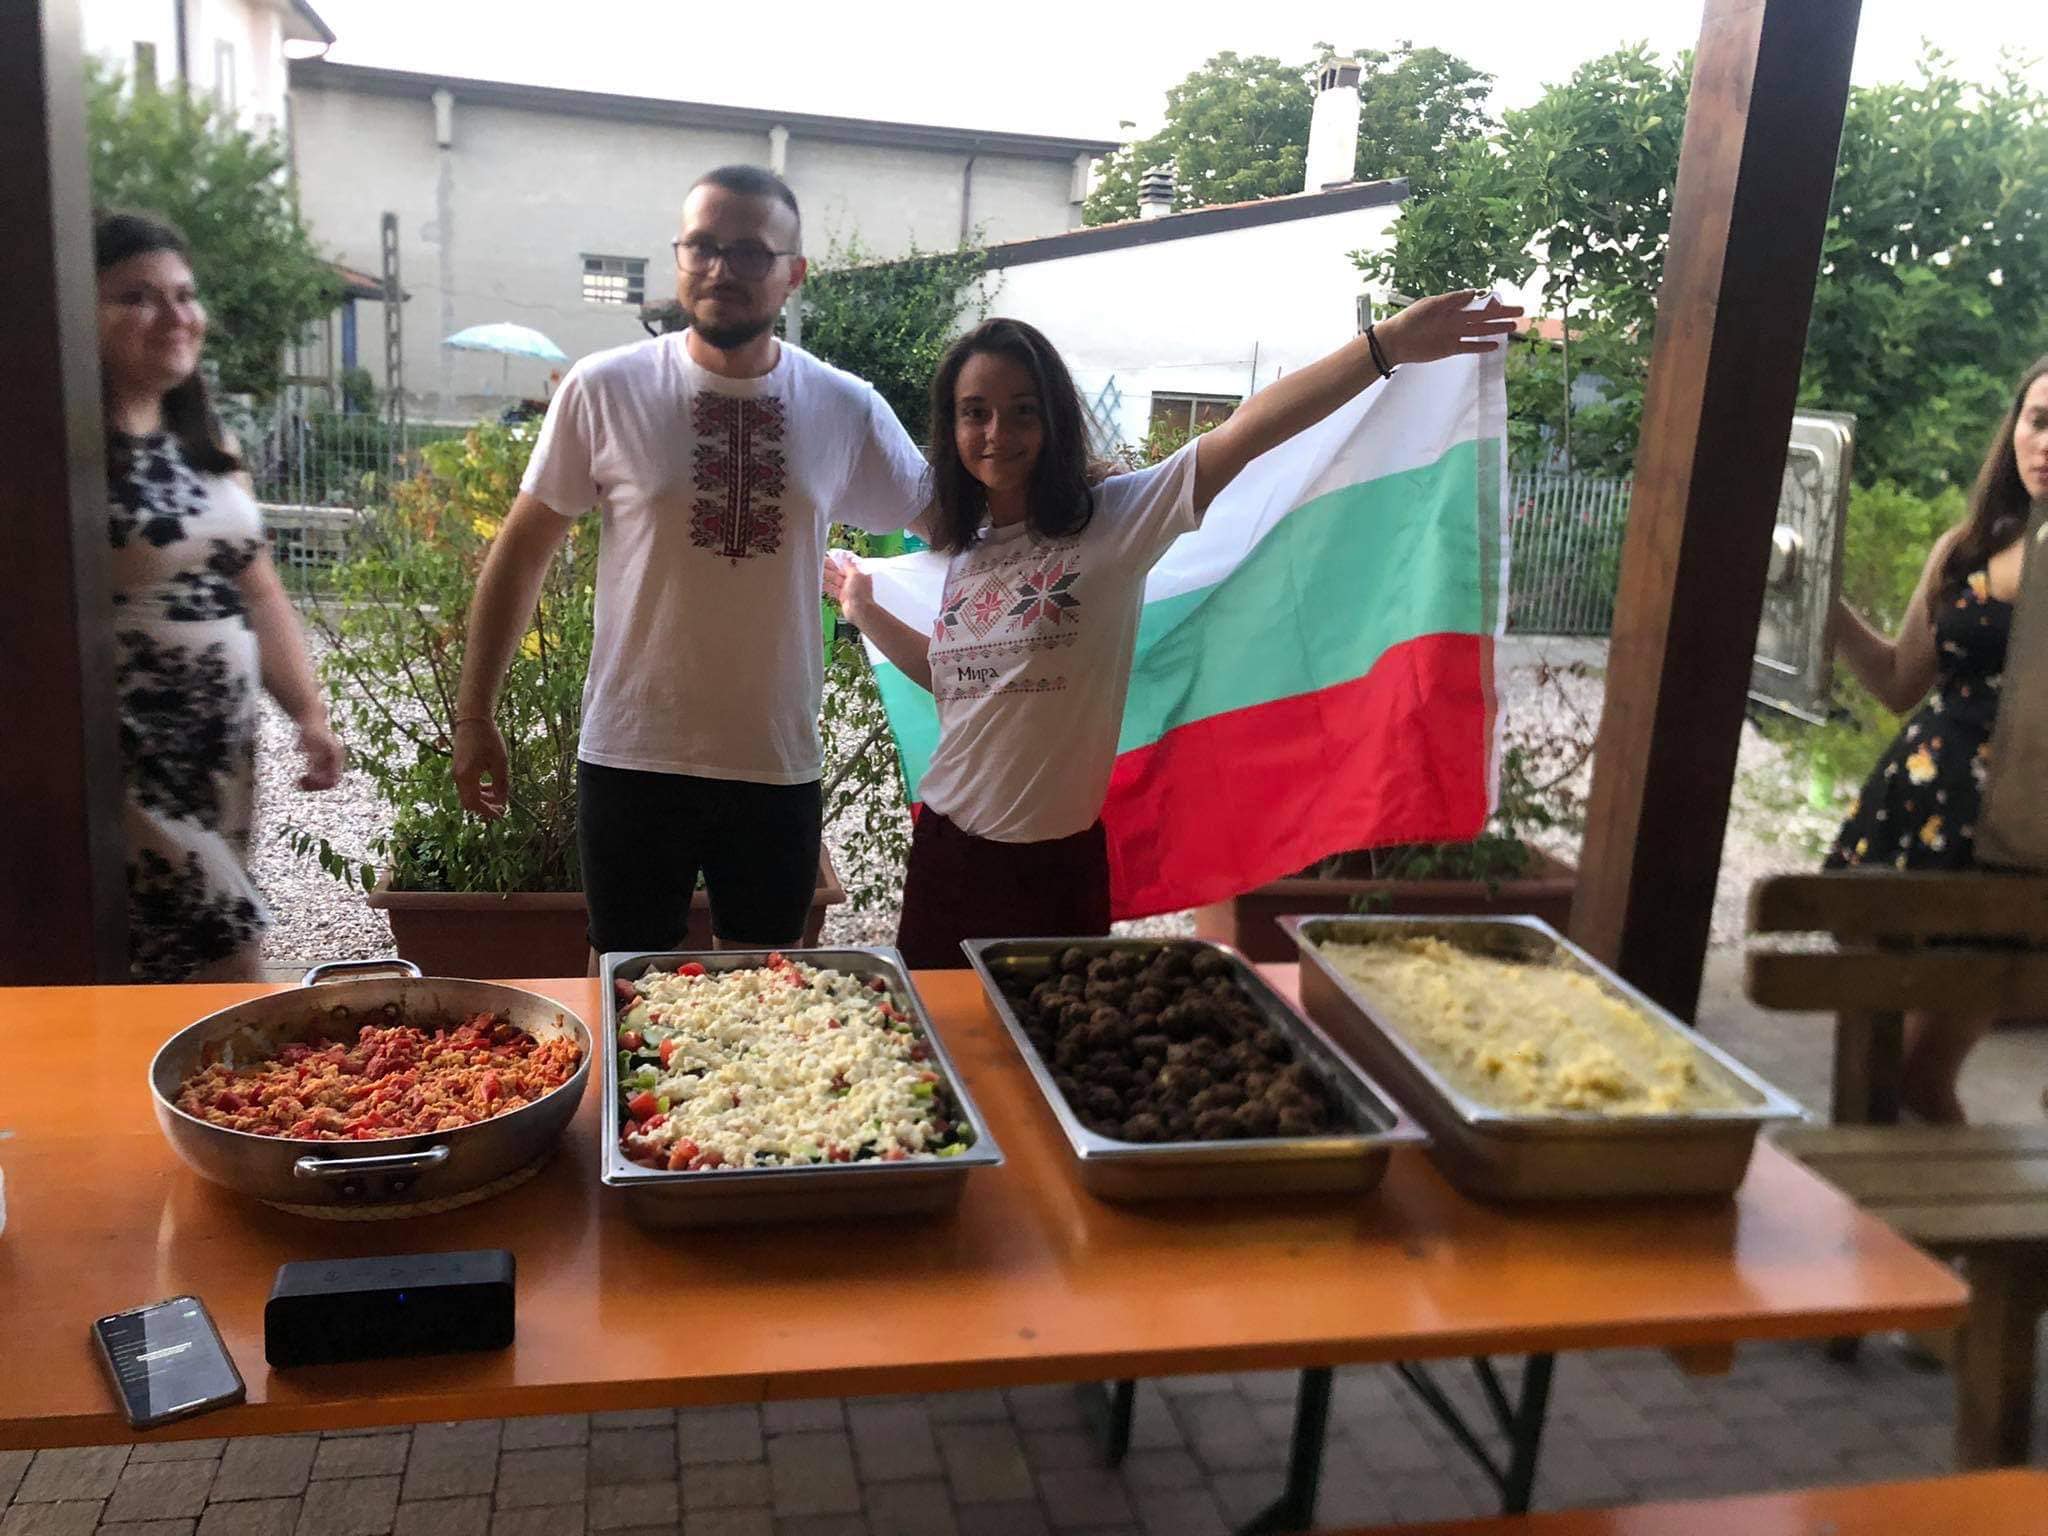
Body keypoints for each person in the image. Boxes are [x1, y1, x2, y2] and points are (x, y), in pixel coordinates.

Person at [825, 293, 1521, 969]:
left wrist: (1386, 346)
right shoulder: (965, 550)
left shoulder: (1117, 521)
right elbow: (955, 681)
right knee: (937, 1047)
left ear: (1055, 423)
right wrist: (864, 609)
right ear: (950, 429)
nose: (996, 435)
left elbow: (1244, 433)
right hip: (947, 852)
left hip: (1053, 868)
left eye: (1022, 412)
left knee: (1049, 1051)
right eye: (974, 413)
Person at [452, 166, 929, 961]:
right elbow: (521, 551)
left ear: (793, 273)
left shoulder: (845, 406)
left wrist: (1080, 503)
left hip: (774, 760)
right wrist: (475, 716)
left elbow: (948, 516)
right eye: (702, 246)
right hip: (632, 754)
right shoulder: (605, 389)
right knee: (630, 981)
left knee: (767, 991)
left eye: (749, 252)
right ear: (678, 258)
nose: (720, 269)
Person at [97, 211, 344, 981]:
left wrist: (309, 714)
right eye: (138, 296)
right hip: (130, 757)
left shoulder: (208, 449)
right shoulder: (58, 451)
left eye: (184, 294)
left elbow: (260, 589)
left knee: (162, 965)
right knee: (227, 950)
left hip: (220, 757)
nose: (175, 317)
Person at [1823, 355, 2048, 1122]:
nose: (2046, 442)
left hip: (2011, 844)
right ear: (2014, 427)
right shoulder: (1965, 548)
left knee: (1919, 1075)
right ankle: (1888, 1237)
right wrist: (1819, 604)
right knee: (1875, 1075)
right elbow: (1895, 682)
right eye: (2038, 420)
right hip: (1910, 817)